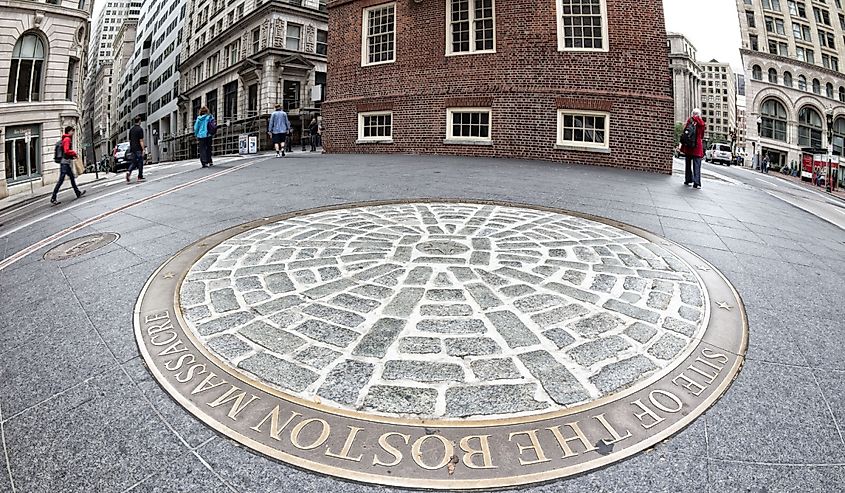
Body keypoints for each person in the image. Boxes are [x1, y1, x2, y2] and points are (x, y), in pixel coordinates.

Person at [50, 126, 86, 205]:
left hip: (66, 163)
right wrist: (73, 153)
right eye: (72, 131)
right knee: (61, 181)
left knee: (72, 178)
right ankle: (53, 197)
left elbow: (65, 152)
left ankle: (77, 193)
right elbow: (66, 151)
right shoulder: (67, 139)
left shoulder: (65, 139)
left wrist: (71, 157)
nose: (73, 133)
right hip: (65, 163)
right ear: (69, 131)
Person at [680, 108, 706, 189]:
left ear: (692, 114)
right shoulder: (701, 123)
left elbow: (685, 132)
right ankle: (696, 182)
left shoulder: (689, 121)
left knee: (688, 164)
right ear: (699, 114)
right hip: (697, 147)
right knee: (697, 165)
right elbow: (702, 135)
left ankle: (688, 179)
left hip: (689, 146)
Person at [127, 115, 146, 183]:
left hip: (133, 149)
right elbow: (141, 140)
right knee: (140, 162)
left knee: (134, 162)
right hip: (138, 149)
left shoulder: (131, 130)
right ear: (139, 121)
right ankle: (140, 176)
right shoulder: (140, 129)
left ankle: (129, 171)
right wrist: (143, 149)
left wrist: (132, 147)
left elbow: (130, 140)